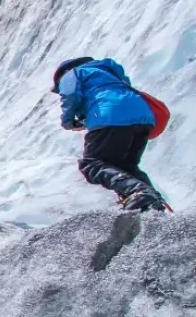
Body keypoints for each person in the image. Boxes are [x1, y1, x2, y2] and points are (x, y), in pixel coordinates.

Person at [51, 57, 167, 212]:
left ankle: (138, 193)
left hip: (111, 115)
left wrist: (68, 121)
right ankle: (153, 203)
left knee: (91, 164)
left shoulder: (72, 73)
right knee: (125, 166)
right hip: (143, 116)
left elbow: (70, 95)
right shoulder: (108, 72)